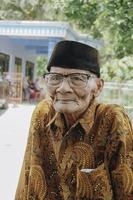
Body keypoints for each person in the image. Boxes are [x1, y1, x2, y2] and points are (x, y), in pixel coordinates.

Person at [15, 40, 133, 200]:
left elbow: (127, 191)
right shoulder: (42, 113)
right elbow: (28, 176)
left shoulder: (111, 119)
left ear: (98, 87)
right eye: (55, 78)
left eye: (77, 78)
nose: (63, 88)